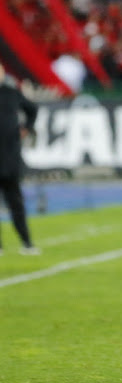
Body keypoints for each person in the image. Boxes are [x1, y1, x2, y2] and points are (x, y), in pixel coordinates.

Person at [0, 63, 40, 256]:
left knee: (15, 202)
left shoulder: (10, 92)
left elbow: (32, 108)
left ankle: (27, 242)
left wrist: (27, 127)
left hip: (9, 158)